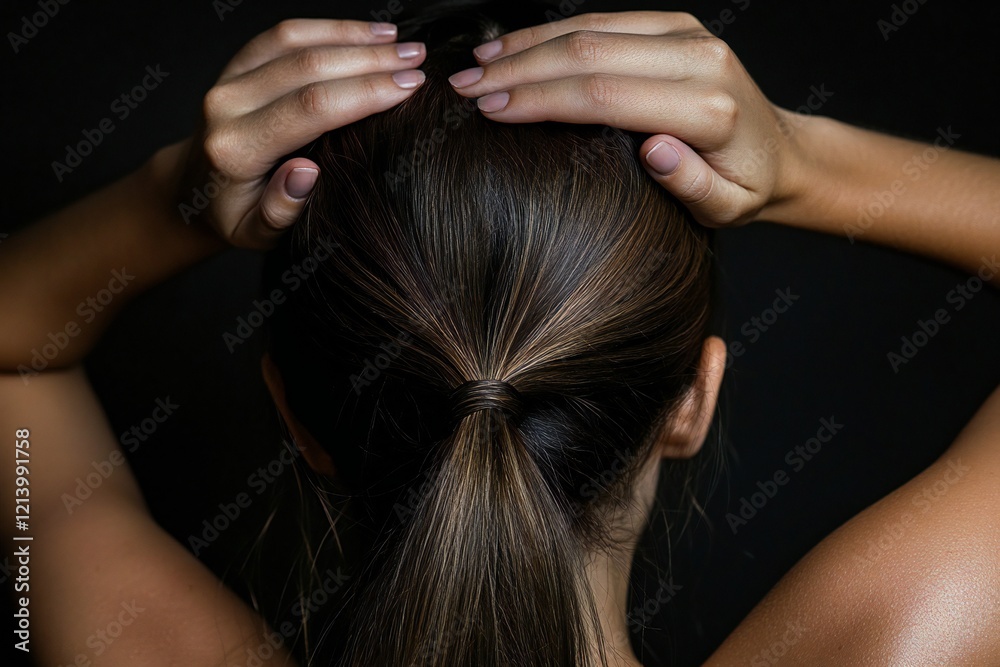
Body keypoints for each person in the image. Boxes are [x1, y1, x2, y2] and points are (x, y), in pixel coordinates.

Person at [1, 5, 998, 666]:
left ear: (297, 420)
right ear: (692, 400)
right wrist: (801, 163)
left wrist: (171, 203)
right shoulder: (876, 645)